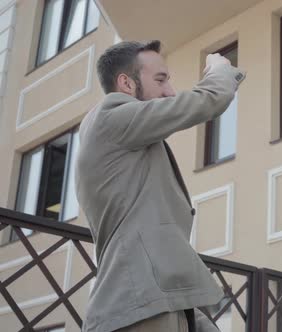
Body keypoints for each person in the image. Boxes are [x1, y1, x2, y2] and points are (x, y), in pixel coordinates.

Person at [76, 40, 245, 332]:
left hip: (149, 302)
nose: (169, 90)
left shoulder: (119, 136)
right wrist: (220, 70)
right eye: (160, 79)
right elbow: (208, 99)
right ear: (126, 83)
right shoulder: (110, 116)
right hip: (138, 307)